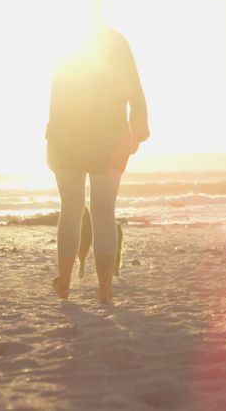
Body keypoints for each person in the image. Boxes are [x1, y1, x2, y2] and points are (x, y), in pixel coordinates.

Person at [46, 26, 149, 304]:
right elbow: (133, 86)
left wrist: (53, 135)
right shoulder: (116, 41)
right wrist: (138, 130)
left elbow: (59, 92)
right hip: (110, 137)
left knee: (71, 209)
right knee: (104, 213)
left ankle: (65, 281)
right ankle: (105, 289)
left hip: (68, 136)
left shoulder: (67, 39)